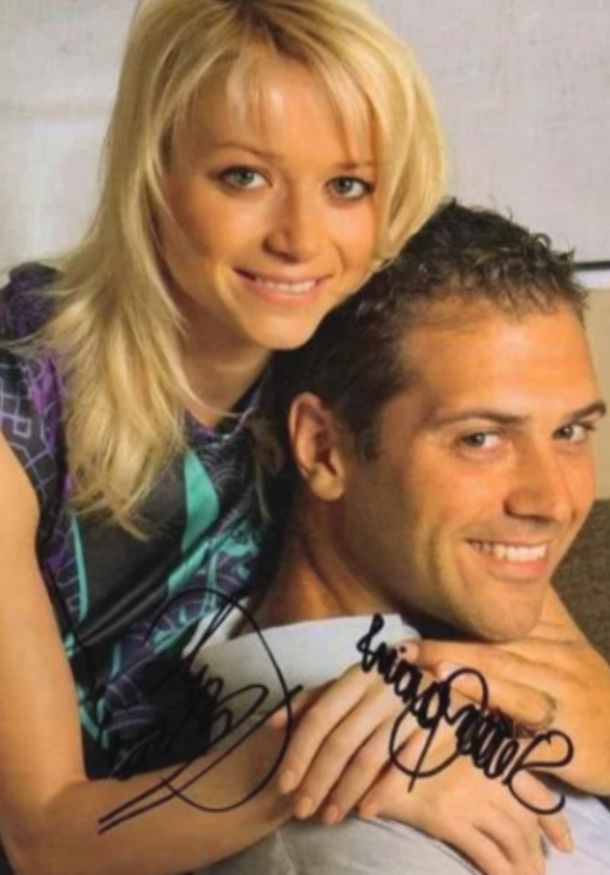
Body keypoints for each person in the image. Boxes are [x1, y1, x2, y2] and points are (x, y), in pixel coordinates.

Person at [0, 1, 448, 873]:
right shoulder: (21, 398)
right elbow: (43, 836)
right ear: (152, 172)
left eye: (346, 185)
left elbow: (509, 625)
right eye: (243, 176)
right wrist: (346, 762)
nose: (299, 239)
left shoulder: (356, 361)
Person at [192, 200, 610, 875]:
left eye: (569, 431)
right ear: (324, 448)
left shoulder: (517, 648)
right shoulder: (351, 837)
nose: (553, 501)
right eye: (480, 438)